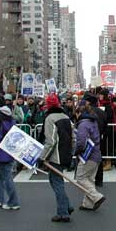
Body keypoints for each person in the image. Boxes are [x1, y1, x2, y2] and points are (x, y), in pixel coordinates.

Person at [40, 93, 75, 222]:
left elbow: (51, 141)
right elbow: (74, 137)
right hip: (65, 153)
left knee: (57, 183)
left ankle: (63, 212)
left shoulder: (50, 119)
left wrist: (42, 157)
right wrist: (71, 152)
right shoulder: (66, 117)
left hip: (56, 155)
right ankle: (67, 205)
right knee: (55, 181)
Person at [75, 100, 106, 211]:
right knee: (89, 179)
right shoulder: (93, 122)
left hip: (88, 156)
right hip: (96, 153)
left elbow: (81, 142)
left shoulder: (83, 124)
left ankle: (96, 196)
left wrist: (76, 152)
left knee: (80, 178)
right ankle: (88, 204)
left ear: (79, 112)